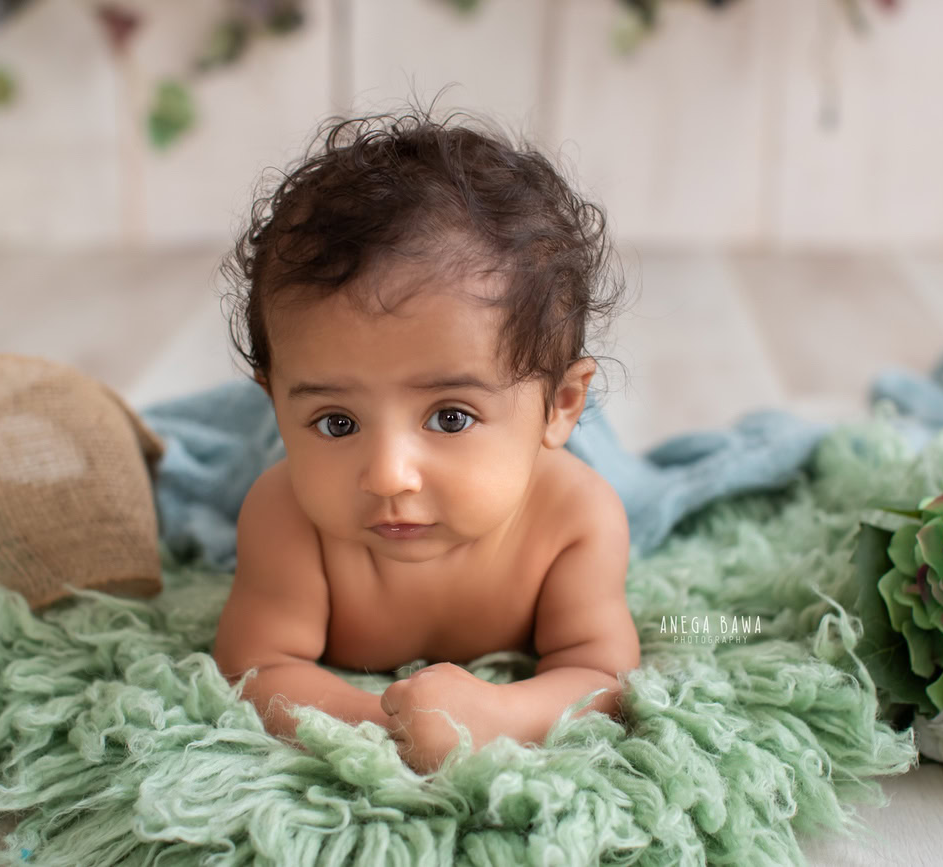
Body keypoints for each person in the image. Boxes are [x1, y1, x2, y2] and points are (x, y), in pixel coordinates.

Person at [212, 101, 640, 773]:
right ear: (275, 405)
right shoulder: (285, 517)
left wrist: (500, 717)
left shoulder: (575, 522)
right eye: (337, 422)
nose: (387, 474)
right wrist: (388, 725)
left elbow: (603, 676)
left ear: (561, 404)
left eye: (449, 417)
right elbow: (256, 667)